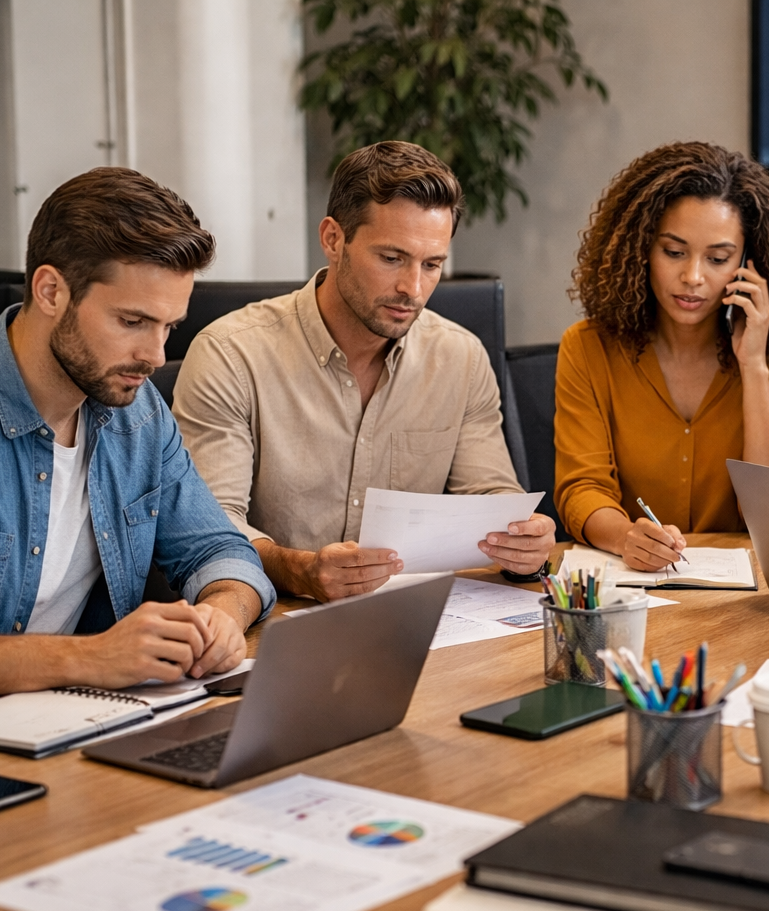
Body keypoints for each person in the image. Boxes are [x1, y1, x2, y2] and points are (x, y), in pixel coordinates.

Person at [0, 168, 275, 702]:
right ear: (51, 290)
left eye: (169, 326)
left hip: (82, 723)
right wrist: (93, 657)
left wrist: (221, 616)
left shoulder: (137, 413)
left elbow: (219, 551)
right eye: (132, 322)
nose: (156, 356)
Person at [173, 142, 555, 603]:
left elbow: (490, 494)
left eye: (432, 265)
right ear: (334, 239)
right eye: (391, 258)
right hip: (273, 618)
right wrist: (299, 570)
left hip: (414, 619)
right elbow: (213, 529)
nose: (412, 288)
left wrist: (524, 540)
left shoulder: (461, 357)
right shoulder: (231, 354)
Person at [554, 142, 769, 570]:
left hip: (749, 593)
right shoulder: (589, 347)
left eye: (718, 258)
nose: (693, 277)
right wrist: (627, 537)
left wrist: (753, 367)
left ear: (750, 263)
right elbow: (582, 488)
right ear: (641, 248)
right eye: (674, 252)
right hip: (631, 583)